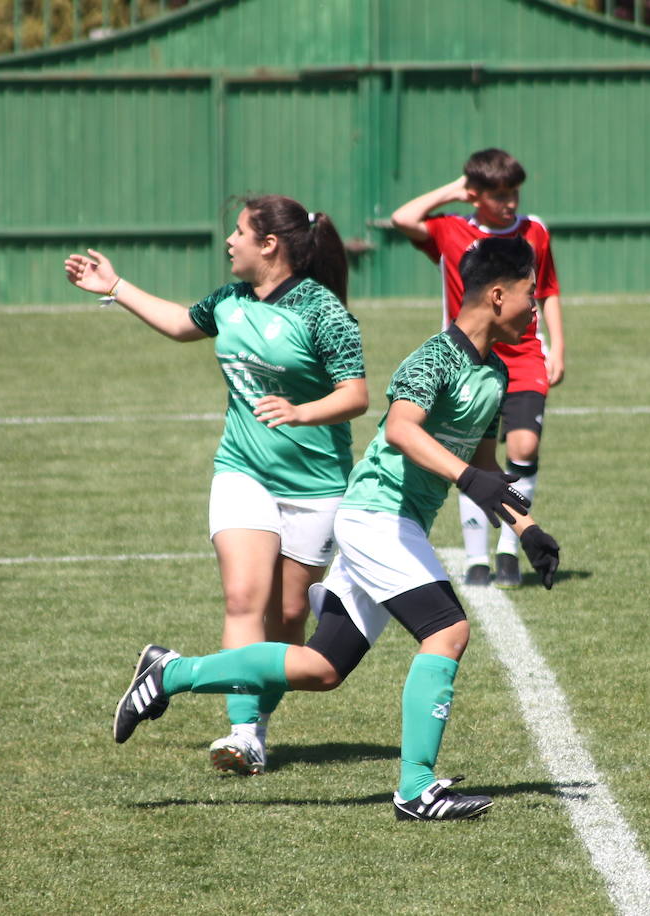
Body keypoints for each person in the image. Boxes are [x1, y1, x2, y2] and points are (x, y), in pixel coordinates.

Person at [110, 237, 562, 821]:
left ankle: (170, 673)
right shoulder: (435, 357)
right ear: (497, 295)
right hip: (376, 517)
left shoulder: (495, 374)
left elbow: (480, 467)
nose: (535, 307)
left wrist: (526, 527)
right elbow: (401, 429)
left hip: (398, 526)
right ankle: (416, 790)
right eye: (531, 294)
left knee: (323, 668)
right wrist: (467, 479)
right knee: (448, 633)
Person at [65, 196, 368, 775]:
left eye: (239, 231)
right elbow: (182, 324)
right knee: (242, 600)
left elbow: (355, 395)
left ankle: (182, 676)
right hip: (242, 472)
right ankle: (243, 734)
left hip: (316, 485)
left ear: (269, 244)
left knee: (286, 620)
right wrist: (115, 286)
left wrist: (301, 412)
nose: (229, 241)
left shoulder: (323, 311)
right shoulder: (229, 301)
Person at [390, 148, 565, 589]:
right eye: (498, 194)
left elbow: (547, 290)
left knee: (522, 445)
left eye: (514, 194)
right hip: (471, 359)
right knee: (472, 454)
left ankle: (509, 545)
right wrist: (454, 190)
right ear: (476, 195)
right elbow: (401, 218)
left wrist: (557, 347)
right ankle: (476, 558)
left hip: (524, 356)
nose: (509, 203)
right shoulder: (451, 231)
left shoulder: (534, 231)